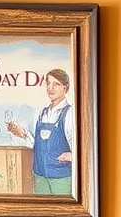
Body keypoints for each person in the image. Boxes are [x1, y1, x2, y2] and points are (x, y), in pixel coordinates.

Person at [5, 67, 74, 195]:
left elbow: (85, 146)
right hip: (40, 176)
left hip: (62, 177)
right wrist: (21, 134)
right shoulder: (40, 113)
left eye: (56, 84)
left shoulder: (71, 114)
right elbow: (34, 142)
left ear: (65, 87)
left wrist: (73, 155)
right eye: (48, 83)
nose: (50, 88)